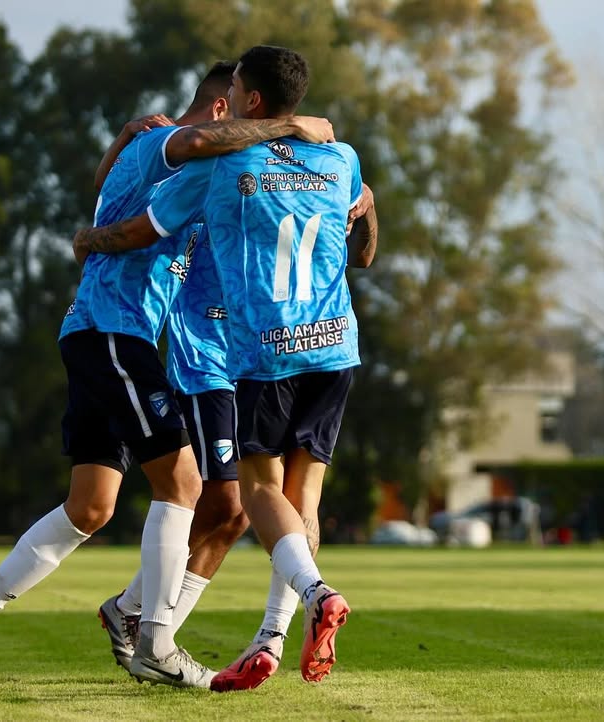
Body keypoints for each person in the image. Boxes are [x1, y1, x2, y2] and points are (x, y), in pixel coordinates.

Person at [0, 61, 336, 692]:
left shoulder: (146, 146)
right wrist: (292, 126)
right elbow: (198, 148)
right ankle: (155, 641)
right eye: (237, 113)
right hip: (115, 333)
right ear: (219, 110)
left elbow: (109, 192)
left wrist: (98, 208)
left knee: (90, 508)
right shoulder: (170, 145)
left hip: (101, 334)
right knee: (183, 482)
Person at [73, 44, 378, 690]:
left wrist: (88, 241)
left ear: (250, 100)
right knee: (299, 501)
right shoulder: (340, 157)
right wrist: (365, 203)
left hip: (263, 352)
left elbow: (140, 230)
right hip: (334, 345)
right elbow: (366, 248)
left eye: (235, 86)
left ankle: (314, 598)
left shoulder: (224, 161)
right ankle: (265, 633)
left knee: (254, 497)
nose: (225, 98)